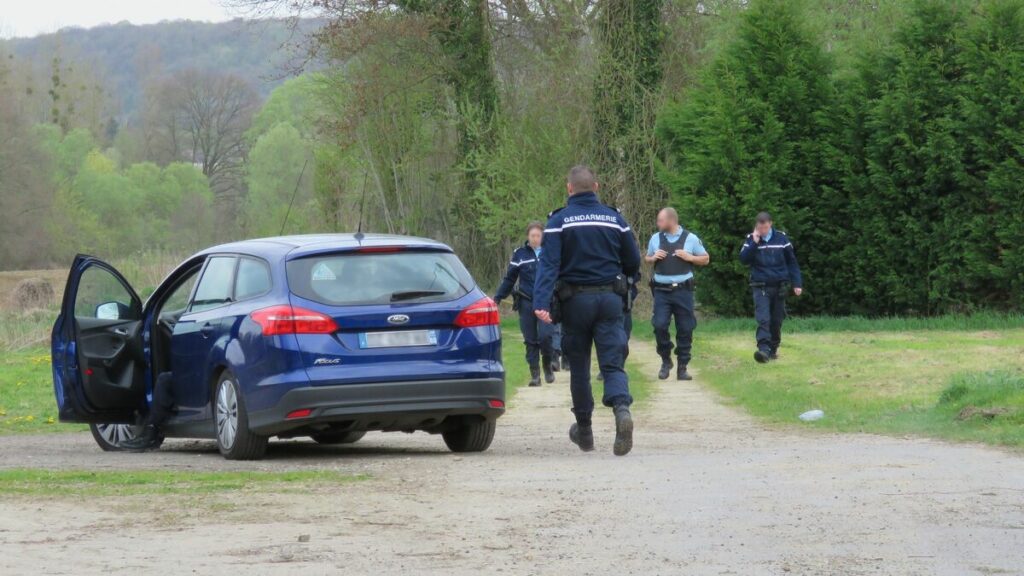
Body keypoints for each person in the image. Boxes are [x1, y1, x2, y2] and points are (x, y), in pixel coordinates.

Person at [534, 165, 642, 456]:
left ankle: (585, 432)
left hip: (574, 303)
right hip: (609, 301)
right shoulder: (615, 219)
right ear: (596, 187)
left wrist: (541, 304)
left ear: (569, 189)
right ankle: (621, 410)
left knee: (579, 367)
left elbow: (548, 266)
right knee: (612, 363)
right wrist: (628, 285)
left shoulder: (558, 221)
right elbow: (633, 261)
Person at [645, 207, 710, 381]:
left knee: (686, 328)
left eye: (661, 220)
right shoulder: (655, 238)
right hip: (661, 291)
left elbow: (705, 258)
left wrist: (690, 258)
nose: (658, 223)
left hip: (683, 291)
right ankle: (666, 360)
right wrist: (652, 258)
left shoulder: (690, 238)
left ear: (671, 221)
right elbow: (647, 258)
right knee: (659, 325)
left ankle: (682, 367)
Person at [494, 222, 556, 386]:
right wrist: (497, 298)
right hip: (526, 301)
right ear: (528, 237)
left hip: (546, 302)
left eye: (538, 235)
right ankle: (535, 374)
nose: (535, 239)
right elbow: (510, 279)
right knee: (530, 339)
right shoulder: (519, 254)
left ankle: (547, 365)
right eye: (532, 236)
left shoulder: (550, 253)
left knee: (546, 336)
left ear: (543, 236)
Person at [739, 212, 803, 363]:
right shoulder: (751, 239)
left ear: (770, 224)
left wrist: (797, 283)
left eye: (765, 227)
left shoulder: (782, 239)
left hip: (780, 285)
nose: (763, 231)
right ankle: (763, 350)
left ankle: (773, 349)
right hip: (760, 285)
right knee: (763, 319)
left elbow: (792, 263)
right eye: (760, 228)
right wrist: (754, 243)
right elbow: (743, 260)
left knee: (776, 320)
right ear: (756, 226)